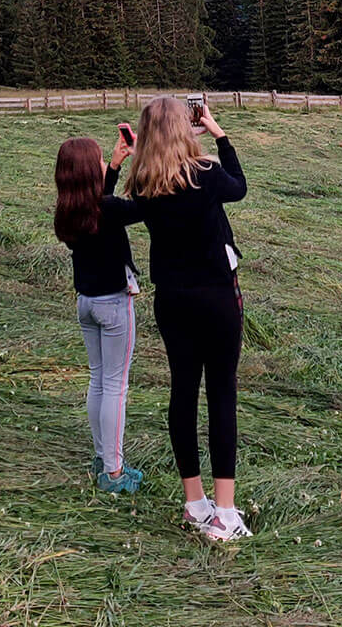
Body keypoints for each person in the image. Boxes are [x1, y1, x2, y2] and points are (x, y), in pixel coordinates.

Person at [125, 94, 252, 541]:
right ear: (186, 129)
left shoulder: (143, 184)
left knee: (183, 392)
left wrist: (122, 160)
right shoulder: (207, 175)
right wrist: (218, 132)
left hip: (172, 301)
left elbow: (118, 207)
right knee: (221, 395)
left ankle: (194, 503)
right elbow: (239, 185)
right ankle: (226, 513)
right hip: (217, 297)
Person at [53, 132, 144, 493]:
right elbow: (143, 205)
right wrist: (142, 161)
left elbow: (98, 201)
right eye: (101, 161)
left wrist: (117, 165)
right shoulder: (107, 211)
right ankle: (114, 473)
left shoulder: (69, 209)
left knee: (98, 381)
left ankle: (101, 457)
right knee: (115, 388)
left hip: (86, 304)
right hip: (114, 307)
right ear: (91, 171)